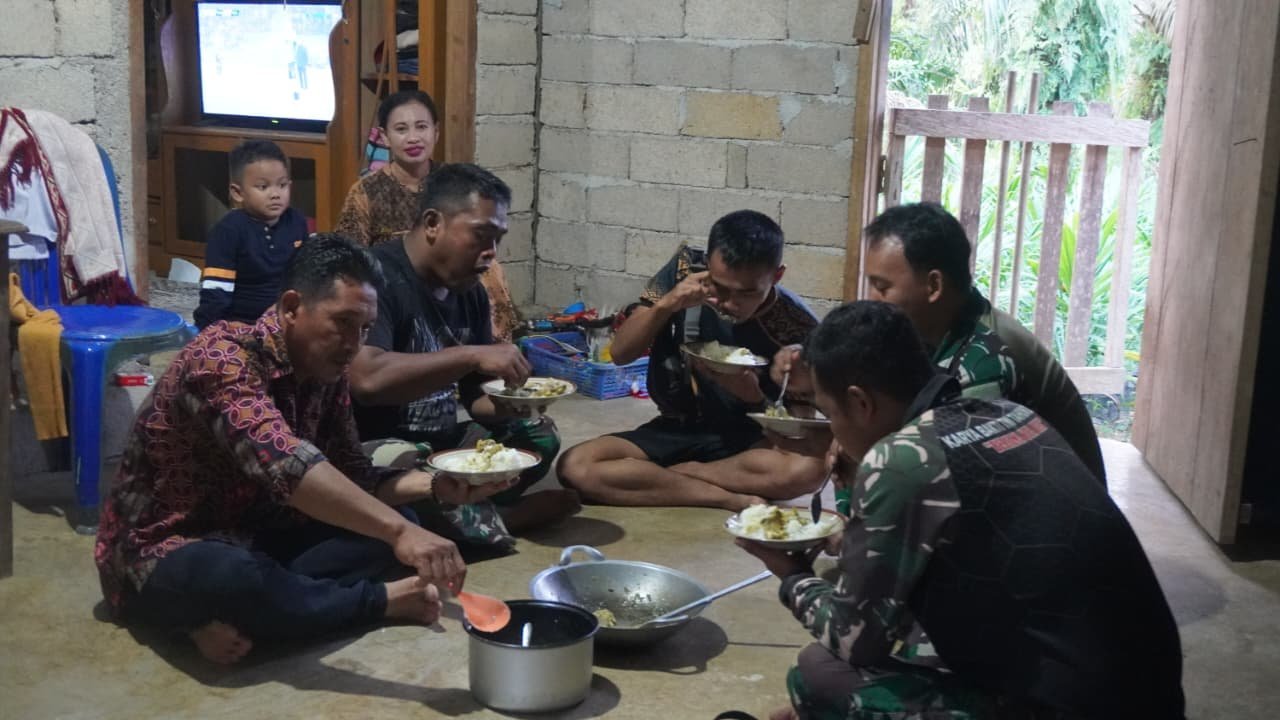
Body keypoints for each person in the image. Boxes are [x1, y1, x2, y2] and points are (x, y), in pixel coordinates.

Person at [739, 301, 1184, 720]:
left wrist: (792, 575)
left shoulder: (903, 457)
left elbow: (854, 637)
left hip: (1074, 707)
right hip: (1148, 691)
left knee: (818, 675)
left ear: (860, 402)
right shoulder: (1008, 412)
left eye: (829, 412)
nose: (832, 429)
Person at [95, 235, 508, 665]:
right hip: (166, 547)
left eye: (365, 329)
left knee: (393, 522)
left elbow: (354, 474)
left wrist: (438, 486)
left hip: (257, 532)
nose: (355, 343)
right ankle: (375, 602)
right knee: (236, 577)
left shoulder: (326, 372)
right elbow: (288, 466)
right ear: (292, 307)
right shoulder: (222, 359)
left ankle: (254, 612)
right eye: (344, 322)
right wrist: (400, 534)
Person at [775, 202, 1106, 485]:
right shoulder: (937, 327)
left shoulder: (983, 367)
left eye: (882, 286)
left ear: (933, 285)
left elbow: (950, 480)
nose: (871, 299)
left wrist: (864, 457)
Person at [348, 163, 579, 544]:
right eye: (480, 236)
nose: (490, 254)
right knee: (401, 466)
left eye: (498, 239)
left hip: (442, 439)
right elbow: (367, 380)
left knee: (539, 436)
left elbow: (475, 399)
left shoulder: (468, 290)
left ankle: (467, 512)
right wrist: (471, 355)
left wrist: (515, 403)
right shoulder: (376, 277)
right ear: (433, 223)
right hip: (379, 444)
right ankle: (502, 520)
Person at [556, 211, 821, 511]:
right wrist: (667, 304)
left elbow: (801, 430)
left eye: (747, 293)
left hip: (748, 442)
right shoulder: (685, 271)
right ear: (708, 263)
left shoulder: (799, 327)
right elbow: (620, 354)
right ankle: (725, 497)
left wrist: (753, 398)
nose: (730, 304)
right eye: (720, 287)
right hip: (677, 428)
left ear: (776, 276)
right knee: (575, 466)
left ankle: (682, 475)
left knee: (807, 470)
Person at [334, 90, 520, 342]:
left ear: (436, 131)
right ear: (385, 136)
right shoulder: (366, 191)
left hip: (453, 283)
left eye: (421, 127)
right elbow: (350, 257)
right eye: (401, 129)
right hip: (395, 290)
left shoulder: (456, 185)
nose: (413, 138)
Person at [193, 139, 308, 331]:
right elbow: (217, 292)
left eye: (282, 185)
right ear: (238, 193)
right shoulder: (228, 230)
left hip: (287, 319)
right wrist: (206, 334)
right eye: (263, 187)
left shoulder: (296, 221)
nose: (275, 194)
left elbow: (306, 276)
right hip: (242, 323)